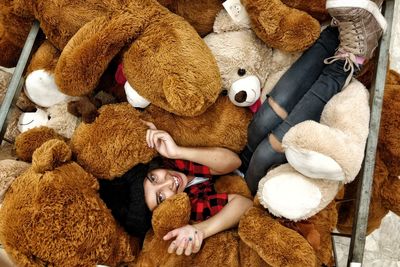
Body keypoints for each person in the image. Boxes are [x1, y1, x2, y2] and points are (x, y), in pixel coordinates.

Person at [239, 0, 387, 195]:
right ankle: (354, 56)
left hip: (232, 170)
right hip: (249, 196)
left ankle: (336, 34)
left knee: (262, 123)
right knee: (265, 155)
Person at [99, 121, 252, 256]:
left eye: (153, 178)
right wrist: (201, 230)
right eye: (161, 197)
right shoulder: (189, 206)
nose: (168, 183)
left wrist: (178, 151)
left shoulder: (171, 161)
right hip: (252, 174)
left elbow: (233, 161)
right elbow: (245, 205)